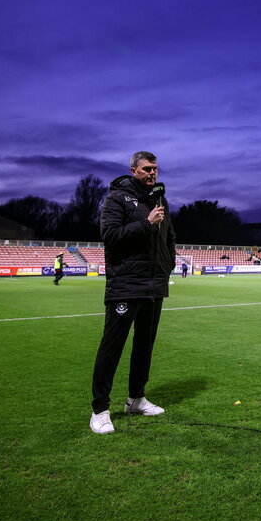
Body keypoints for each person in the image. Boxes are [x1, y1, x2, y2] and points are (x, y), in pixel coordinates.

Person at [89, 151, 177, 434]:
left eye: (155, 169)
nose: (152, 173)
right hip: (126, 284)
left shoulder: (160, 200)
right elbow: (110, 237)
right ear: (133, 170)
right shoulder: (117, 198)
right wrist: (146, 223)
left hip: (154, 285)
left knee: (144, 345)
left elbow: (170, 238)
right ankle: (100, 410)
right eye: (147, 169)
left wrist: (167, 265)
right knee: (112, 347)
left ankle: (136, 398)